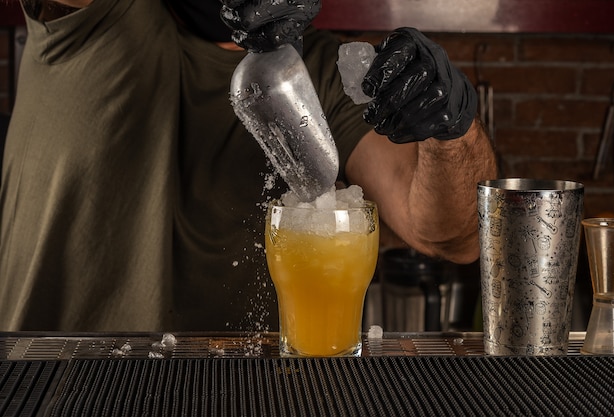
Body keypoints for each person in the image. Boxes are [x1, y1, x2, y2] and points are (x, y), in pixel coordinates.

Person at [0, 0, 497, 332]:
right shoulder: (96, 17)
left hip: (243, 389)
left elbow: (454, 236)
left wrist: (450, 129)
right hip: (53, 382)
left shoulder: (321, 72)